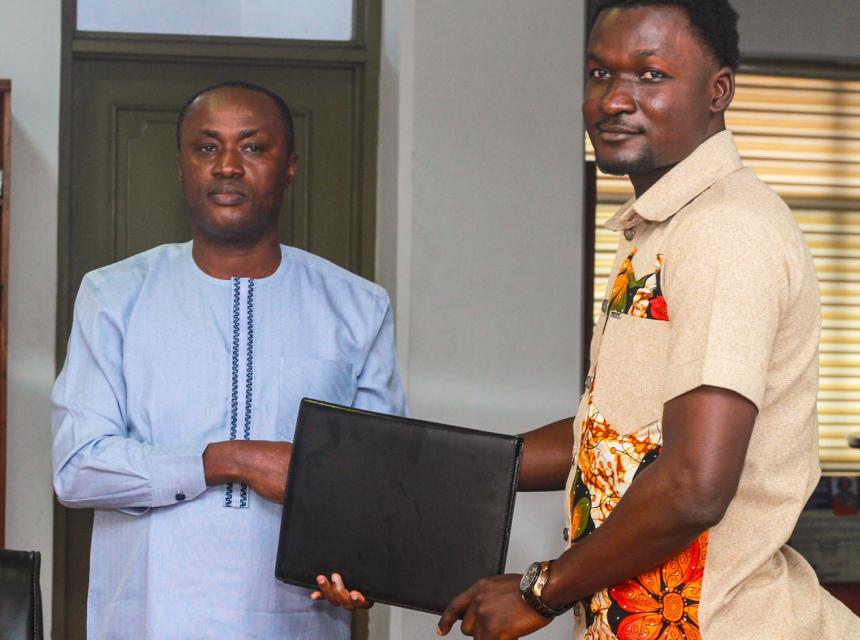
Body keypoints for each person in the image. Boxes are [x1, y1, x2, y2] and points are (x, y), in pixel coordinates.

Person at [321, 1, 860, 638]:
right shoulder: (658, 228)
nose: (613, 100)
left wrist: (540, 592)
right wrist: (423, 477)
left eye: (650, 75)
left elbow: (693, 484)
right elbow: (610, 436)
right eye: (599, 73)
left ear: (719, 91)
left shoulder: (726, 230)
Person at [51, 81, 404, 639]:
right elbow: (79, 469)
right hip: (150, 619)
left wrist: (362, 566)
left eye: (253, 148)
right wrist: (229, 460)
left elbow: (377, 482)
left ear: (289, 166)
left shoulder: (356, 306)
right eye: (207, 147)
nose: (228, 167)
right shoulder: (114, 295)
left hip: (296, 621)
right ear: (181, 165)